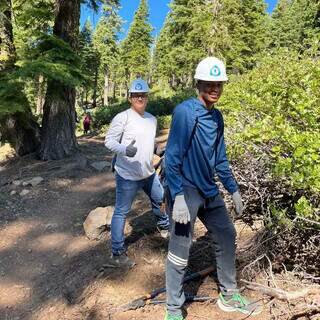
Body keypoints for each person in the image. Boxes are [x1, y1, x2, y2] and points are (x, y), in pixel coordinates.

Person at [163, 57, 262, 319]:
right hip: (185, 189)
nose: (215, 89)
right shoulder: (185, 112)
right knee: (180, 247)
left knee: (227, 235)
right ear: (199, 83)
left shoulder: (217, 117)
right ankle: (173, 308)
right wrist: (178, 197)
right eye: (209, 83)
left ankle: (229, 295)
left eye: (219, 84)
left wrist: (234, 189)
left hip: (208, 189)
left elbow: (220, 159)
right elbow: (172, 157)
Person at [105, 78, 170, 268]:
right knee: (121, 212)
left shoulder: (151, 119)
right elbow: (109, 141)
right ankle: (117, 253)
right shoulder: (122, 117)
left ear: (147, 97)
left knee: (160, 200)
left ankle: (166, 229)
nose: (139, 98)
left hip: (148, 173)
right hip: (127, 175)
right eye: (136, 95)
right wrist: (125, 150)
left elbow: (149, 141)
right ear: (130, 98)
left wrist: (155, 149)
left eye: (143, 95)